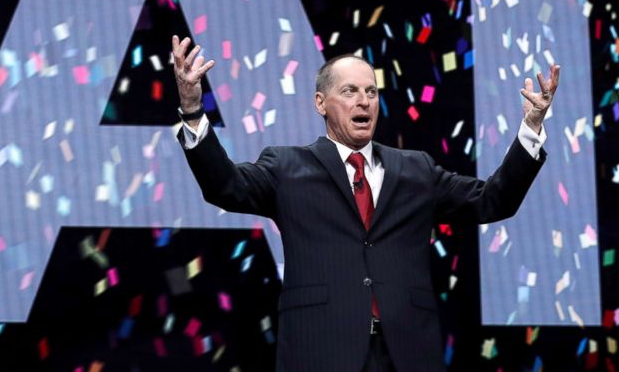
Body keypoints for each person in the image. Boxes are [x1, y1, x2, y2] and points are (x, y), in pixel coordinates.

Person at [171, 35, 560, 372]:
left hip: (406, 353)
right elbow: (225, 186)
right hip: (321, 351)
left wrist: (531, 128)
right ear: (321, 103)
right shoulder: (288, 167)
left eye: (371, 92)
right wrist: (192, 111)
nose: (364, 101)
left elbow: (492, 201)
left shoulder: (415, 169)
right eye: (350, 91)